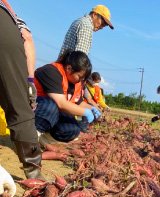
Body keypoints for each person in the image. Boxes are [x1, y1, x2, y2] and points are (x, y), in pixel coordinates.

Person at [0, 1, 44, 180]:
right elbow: (27, 38)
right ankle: (34, 174)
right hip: (4, 34)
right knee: (20, 109)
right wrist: (29, 81)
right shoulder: (8, 11)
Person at [34, 51, 100, 148]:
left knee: (73, 129)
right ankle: (31, 136)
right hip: (34, 109)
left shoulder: (76, 83)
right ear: (69, 68)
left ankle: (44, 138)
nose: (81, 80)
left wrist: (92, 109)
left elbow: (78, 102)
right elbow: (61, 103)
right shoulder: (52, 71)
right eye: (80, 77)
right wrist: (85, 112)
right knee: (50, 107)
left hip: (54, 115)